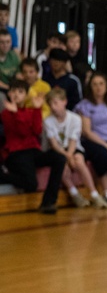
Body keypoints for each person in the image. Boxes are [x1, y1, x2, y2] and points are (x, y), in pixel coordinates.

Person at [1, 79, 66, 213]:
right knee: (31, 184)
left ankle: (49, 202)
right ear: (9, 94)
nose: (16, 94)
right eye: (13, 91)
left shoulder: (30, 111)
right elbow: (23, 132)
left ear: (26, 95)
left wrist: (37, 109)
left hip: (33, 151)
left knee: (59, 158)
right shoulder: (6, 113)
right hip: (16, 153)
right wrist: (15, 113)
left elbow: (37, 130)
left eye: (20, 92)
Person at [43, 86, 107, 208]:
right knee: (61, 165)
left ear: (64, 101)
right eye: (50, 104)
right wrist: (67, 157)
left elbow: (73, 140)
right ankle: (74, 193)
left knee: (79, 160)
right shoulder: (48, 121)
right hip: (58, 151)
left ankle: (94, 194)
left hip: (73, 148)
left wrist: (70, 155)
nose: (53, 107)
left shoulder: (75, 118)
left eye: (56, 103)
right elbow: (54, 144)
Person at [76, 71, 107, 207]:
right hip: (94, 140)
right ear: (90, 87)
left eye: (101, 84)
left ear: (106, 86)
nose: (98, 87)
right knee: (103, 153)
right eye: (95, 84)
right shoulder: (85, 105)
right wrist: (106, 145)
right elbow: (86, 131)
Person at [0, 28, 21, 100]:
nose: (5, 45)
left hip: (13, 88)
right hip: (2, 90)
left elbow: (19, 75)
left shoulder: (14, 55)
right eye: (2, 42)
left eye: (8, 42)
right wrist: (10, 89)